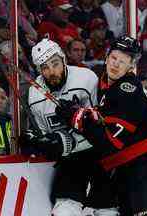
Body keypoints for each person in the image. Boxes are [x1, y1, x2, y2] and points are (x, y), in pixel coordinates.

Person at [56, 36, 147, 216]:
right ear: (107, 57)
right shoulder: (101, 82)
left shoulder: (128, 90)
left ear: (131, 66)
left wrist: (76, 116)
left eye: (122, 62)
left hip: (145, 168)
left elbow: (109, 142)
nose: (116, 65)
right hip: (121, 168)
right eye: (114, 58)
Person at [21, 38, 100, 215]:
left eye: (55, 63)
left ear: (64, 59)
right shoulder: (35, 94)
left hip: (99, 155)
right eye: (45, 68)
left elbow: (101, 126)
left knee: (105, 210)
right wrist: (39, 141)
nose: (52, 72)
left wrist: (68, 138)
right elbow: (47, 135)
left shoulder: (86, 79)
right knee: (65, 210)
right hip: (71, 162)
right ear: (39, 70)